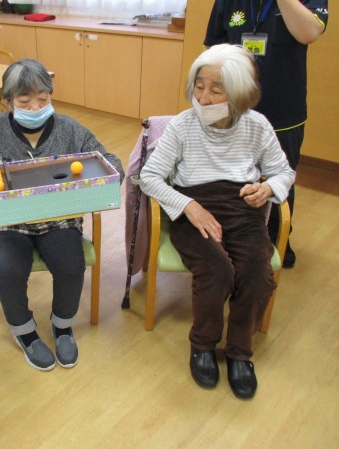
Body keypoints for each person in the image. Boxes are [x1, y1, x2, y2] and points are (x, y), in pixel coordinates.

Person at [139, 44, 295, 399]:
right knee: (217, 270)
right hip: (194, 209)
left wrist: (268, 188)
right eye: (199, 86)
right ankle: (203, 345)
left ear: (239, 94)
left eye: (215, 90)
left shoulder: (257, 126)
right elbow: (149, 177)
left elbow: (284, 172)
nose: (203, 98)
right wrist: (189, 206)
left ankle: (239, 351)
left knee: (256, 274)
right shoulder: (183, 125)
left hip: (242, 210)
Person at [0, 58, 124, 371]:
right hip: (7, 221)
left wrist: (103, 178)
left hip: (57, 218)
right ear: (7, 101)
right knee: (8, 268)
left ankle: (62, 325)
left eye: (43, 99)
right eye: (24, 101)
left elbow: (110, 160)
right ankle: (25, 332)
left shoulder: (70, 129)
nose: (35, 107)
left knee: (71, 264)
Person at [204, 0, 329, 268]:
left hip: (283, 111)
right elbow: (213, 50)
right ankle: (233, 238)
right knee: (229, 175)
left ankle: (276, 242)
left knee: (278, 178)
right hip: (234, 108)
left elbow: (309, 33)